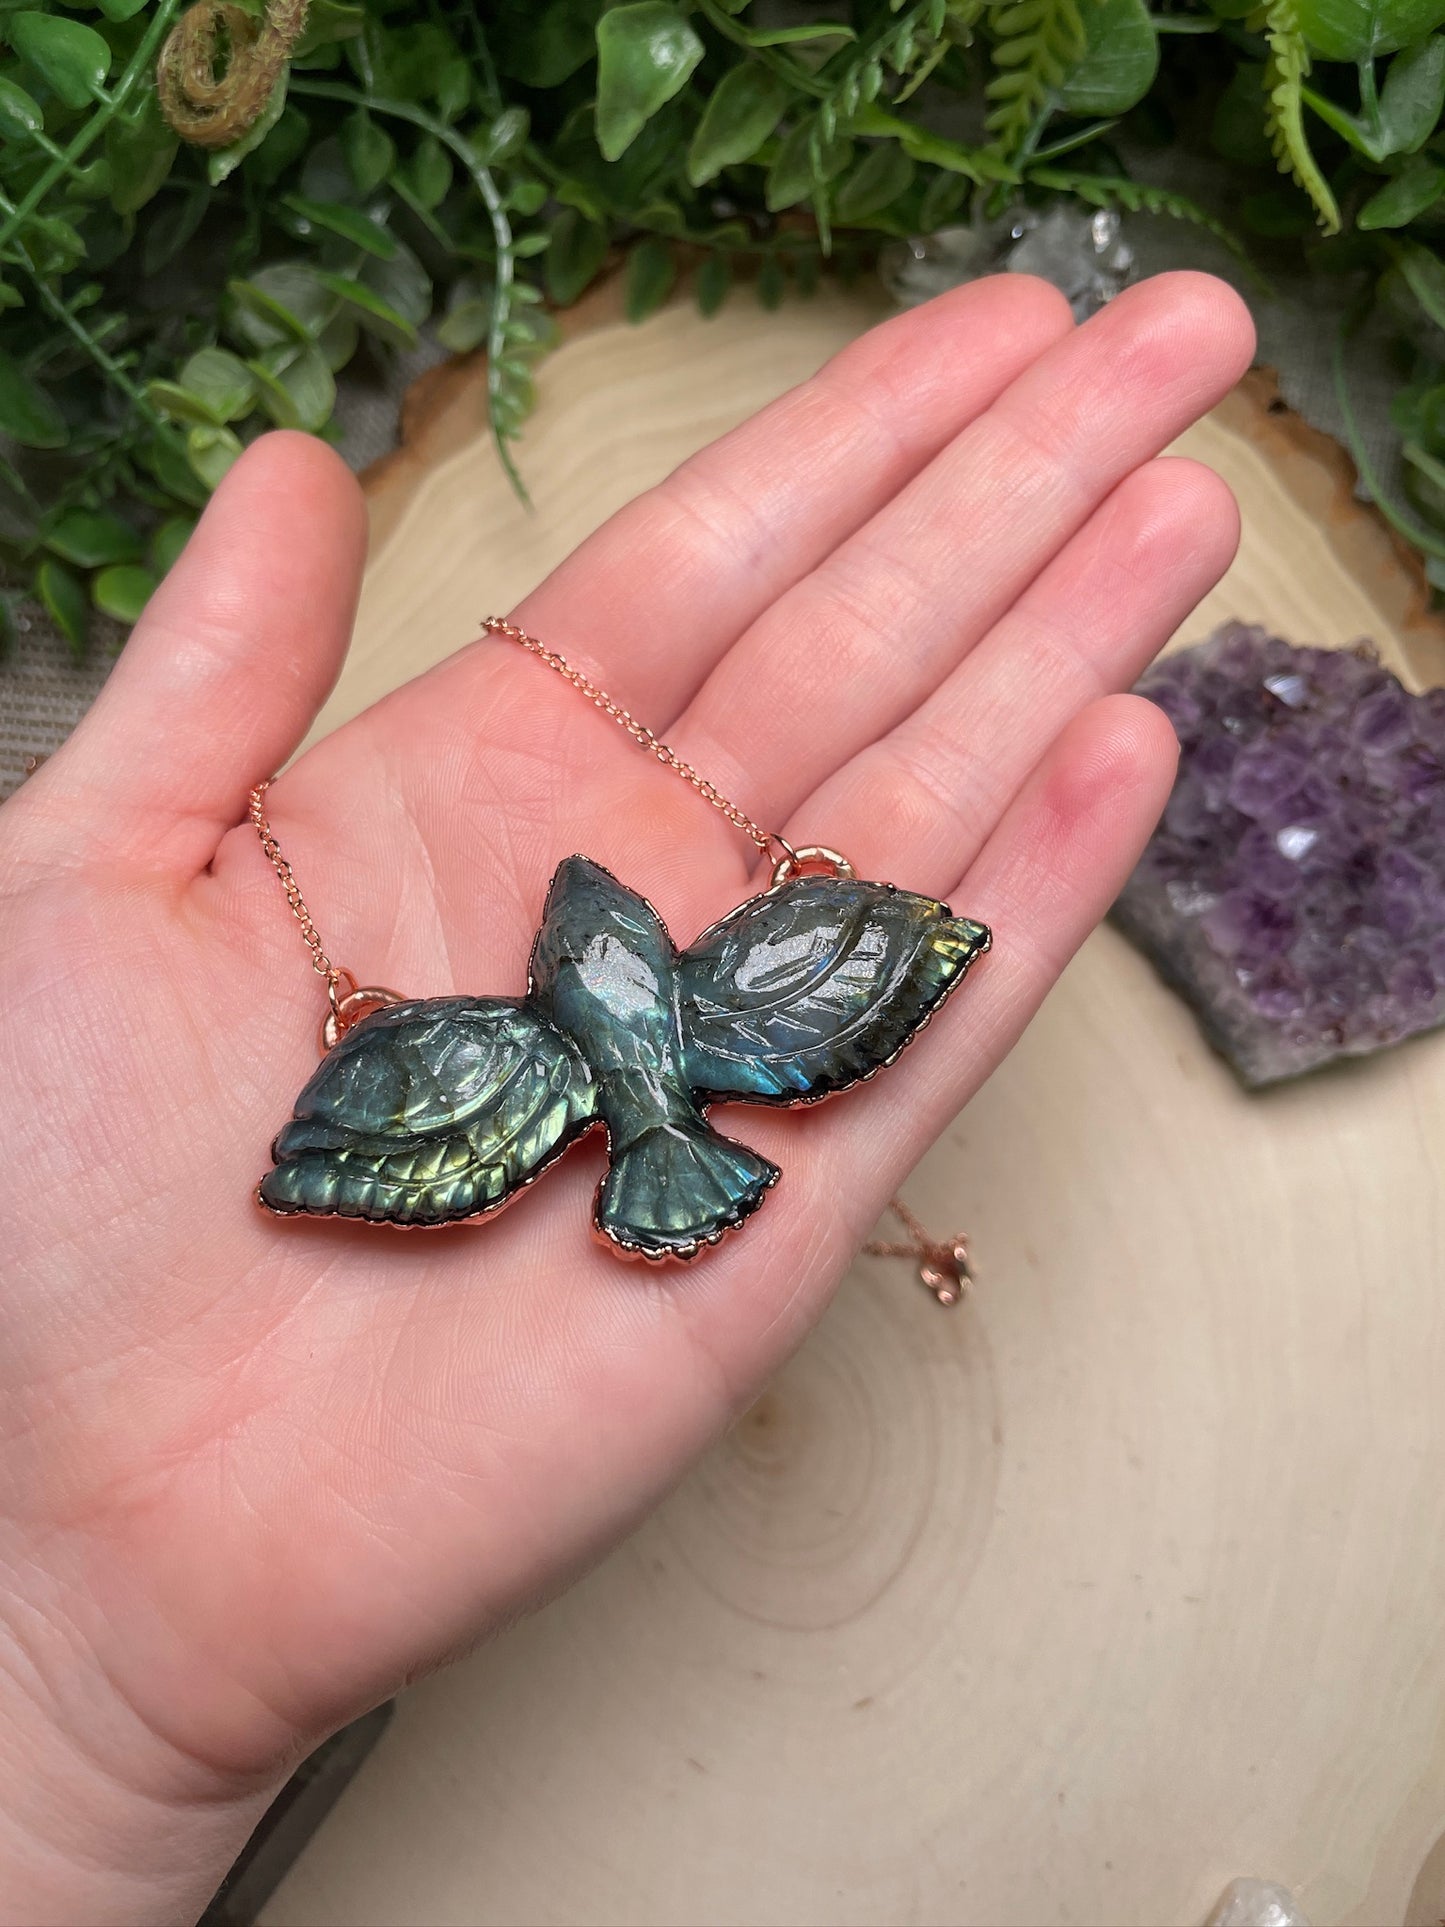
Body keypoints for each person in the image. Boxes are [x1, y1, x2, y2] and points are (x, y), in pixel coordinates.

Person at [0, 268, 1253, 1924]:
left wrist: (71, 1743)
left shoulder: (529, 1037)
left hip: (656, 1118)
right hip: (674, 1114)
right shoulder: (627, 1009)